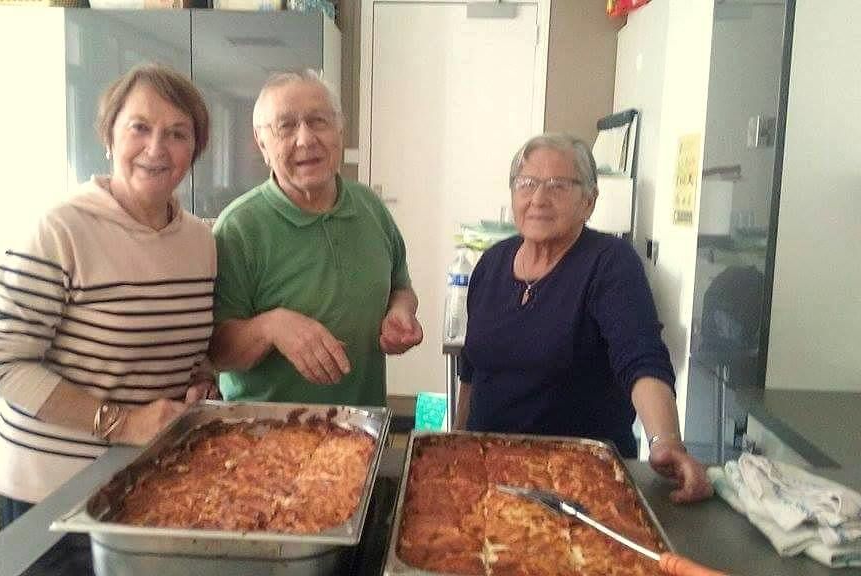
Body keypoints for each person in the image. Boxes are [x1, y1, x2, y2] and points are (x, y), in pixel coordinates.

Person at [0, 63, 218, 528]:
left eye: (177, 134)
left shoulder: (200, 241)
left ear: (195, 150)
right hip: (51, 494)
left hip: (147, 481)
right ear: (109, 136)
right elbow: (3, 365)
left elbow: (188, 351)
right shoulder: (59, 229)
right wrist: (122, 424)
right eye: (140, 128)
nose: (156, 148)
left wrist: (202, 382)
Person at [455, 133, 712, 503]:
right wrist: (457, 446)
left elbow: (641, 359)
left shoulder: (610, 263)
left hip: (580, 480)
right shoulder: (491, 263)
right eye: (526, 184)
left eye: (558, 186)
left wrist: (666, 441)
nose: (538, 199)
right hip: (489, 471)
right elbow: (471, 370)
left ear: (588, 202)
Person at [208, 70, 422, 407]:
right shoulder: (238, 229)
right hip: (264, 438)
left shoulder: (371, 208)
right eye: (286, 126)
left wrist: (400, 313)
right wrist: (271, 327)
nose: (305, 139)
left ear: (340, 129)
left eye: (318, 121)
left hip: (361, 427)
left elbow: (401, 287)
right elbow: (215, 352)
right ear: (262, 143)